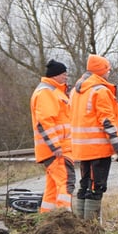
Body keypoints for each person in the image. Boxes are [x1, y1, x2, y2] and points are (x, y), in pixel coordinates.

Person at [69, 54, 118, 220]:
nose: (109, 73)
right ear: (101, 71)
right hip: (98, 148)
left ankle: (81, 227)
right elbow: (107, 122)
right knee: (96, 187)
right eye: (107, 70)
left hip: (81, 147)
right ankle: (91, 227)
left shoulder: (75, 91)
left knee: (85, 185)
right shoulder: (100, 91)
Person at [30, 59, 75, 212]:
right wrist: (55, 146)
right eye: (63, 74)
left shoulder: (53, 91)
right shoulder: (46, 93)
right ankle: (65, 218)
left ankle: (46, 218)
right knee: (66, 181)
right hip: (57, 149)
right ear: (55, 75)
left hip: (57, 149)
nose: (66, 77)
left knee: (52, 186)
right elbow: (44, 122)